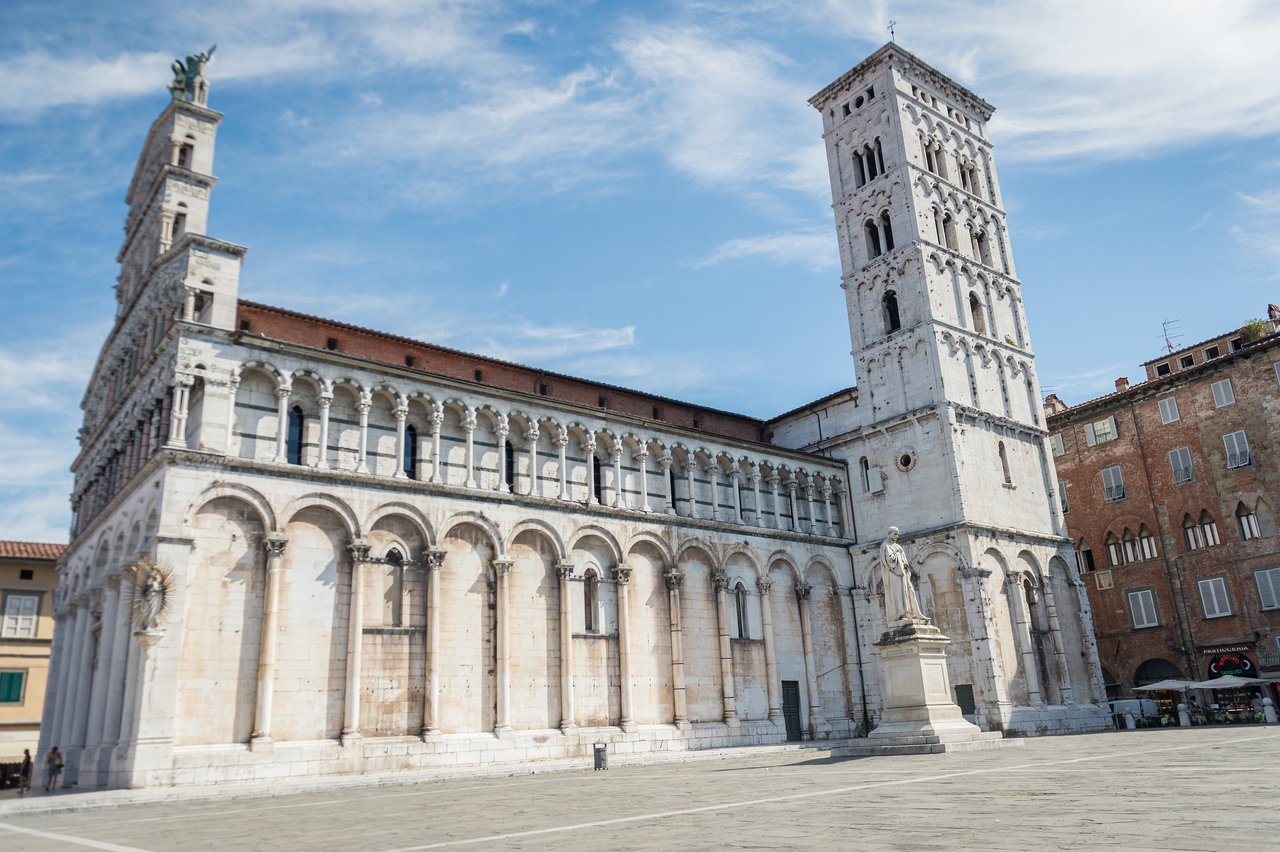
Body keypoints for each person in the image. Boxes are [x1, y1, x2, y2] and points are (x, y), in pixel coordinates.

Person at [878, 526, 926, 623]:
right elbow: (889, 561)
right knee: (898, 593)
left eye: (898, 534)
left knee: (906, 592)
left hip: (902, 573)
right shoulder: (885, 545)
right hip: (894, 575)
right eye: (895, 534)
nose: (897, 536)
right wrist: (898, 555)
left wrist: (905, 563)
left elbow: (904, 560)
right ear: (890, 533)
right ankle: (900, 614)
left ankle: (908, 613)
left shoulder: (898, 546)